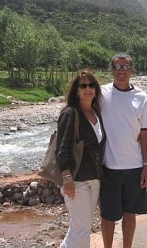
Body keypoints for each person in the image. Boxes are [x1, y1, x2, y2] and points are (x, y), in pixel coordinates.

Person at [100, 53, 147, 248]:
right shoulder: (101, 93)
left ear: (132, 70)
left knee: (130, 214)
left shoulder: (142, 98)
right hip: (108, 167)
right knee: (108, 216)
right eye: (117, 66)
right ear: (111, 69)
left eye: (126, 67)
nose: (121, 71)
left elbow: (146, 133)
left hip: (134, 167)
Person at [56, 69, 106, 248]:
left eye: (91, 85)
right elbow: (61, 149)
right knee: (82, 230)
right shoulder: (70, 113)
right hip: (76, 182)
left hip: (94, 180)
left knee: (79, 226)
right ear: (76, 90)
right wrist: (67, 177)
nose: (88, 89)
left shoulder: (96, 113)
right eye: (83, 85)